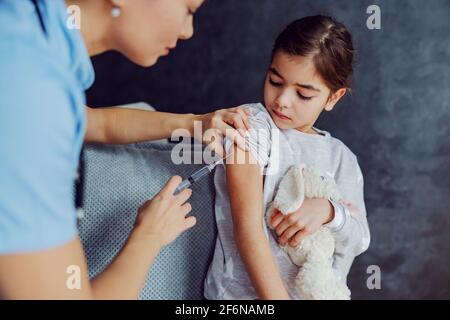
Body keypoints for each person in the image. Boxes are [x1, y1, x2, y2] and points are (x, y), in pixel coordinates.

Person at [0, 0, 251, 299]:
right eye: (188, 10)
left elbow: (97, 123)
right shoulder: (29, 101)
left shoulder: (28, 34)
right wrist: (149, 236)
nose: (187, 31)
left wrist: (195, 123)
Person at [204, 15, 371, 300]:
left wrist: (330, 212)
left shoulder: (342, 158)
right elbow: (247, 228)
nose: (282, 100)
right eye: (275, 81)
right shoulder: (251, 126)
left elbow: (359, 239)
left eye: (303, 94)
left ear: (333, 98)